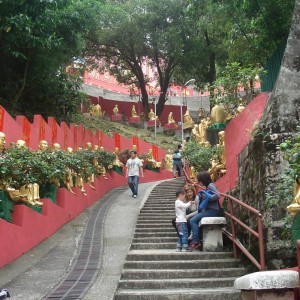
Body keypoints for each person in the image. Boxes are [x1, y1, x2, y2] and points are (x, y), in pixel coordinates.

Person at [188, 171, 220, 251]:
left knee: (193, 220)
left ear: (203, 179)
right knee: (194, 220)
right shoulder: (208, 186)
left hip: (213, 211)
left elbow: (217, 195)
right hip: (209, 210)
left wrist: (207, 198)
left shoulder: (211, 185)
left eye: (199, 180)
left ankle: (196, 241)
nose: (199, 182)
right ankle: (196, 240)